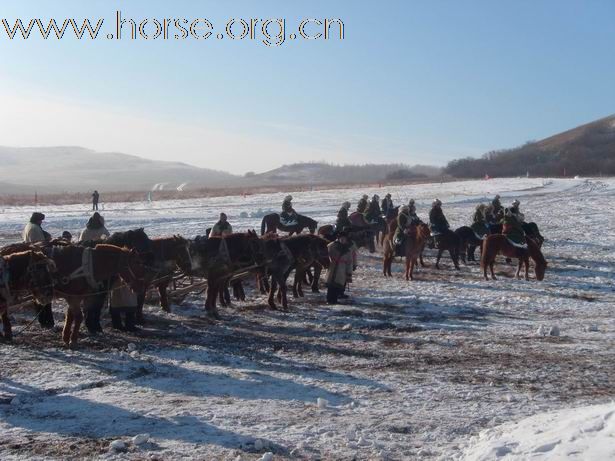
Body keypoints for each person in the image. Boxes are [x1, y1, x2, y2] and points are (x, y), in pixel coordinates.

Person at [325, 229, 356, 304]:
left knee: (337, 286)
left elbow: (349, 262)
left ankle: (334, 300)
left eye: (344, 239)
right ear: (338, 239)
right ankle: (329, 300)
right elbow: (326, 253)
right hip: (332, 267)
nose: (342, 240)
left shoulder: (348, 250)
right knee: (330, 286)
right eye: (341, 238)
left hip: (341, 269)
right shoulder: (332, 245)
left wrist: (349, 273)